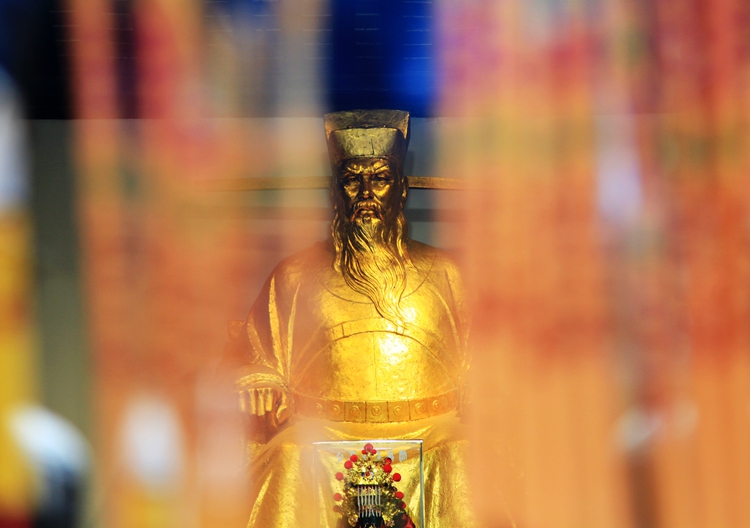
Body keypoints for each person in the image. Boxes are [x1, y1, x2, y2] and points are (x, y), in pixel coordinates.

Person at [227, 110, 475, 527]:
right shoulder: (294, 275)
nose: (365, 193)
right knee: (288, 454)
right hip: (320, 429)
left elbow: (484, 355)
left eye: (380, 179)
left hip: (431, 431)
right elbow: (253, 357)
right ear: (334, 192)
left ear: (401, 189)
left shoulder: (446, 272)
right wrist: (257, 382)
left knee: (461, 454)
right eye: (351, 180)